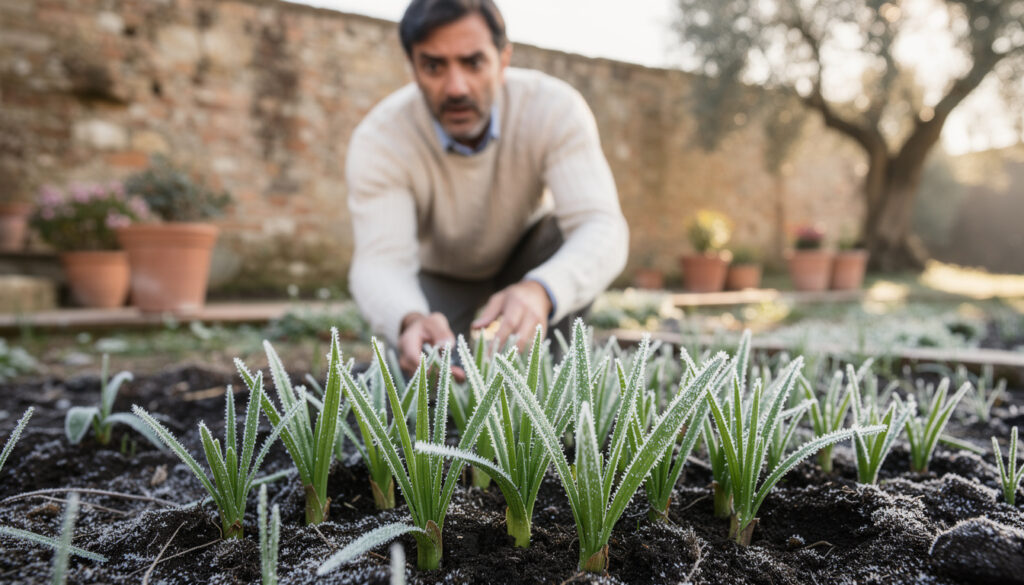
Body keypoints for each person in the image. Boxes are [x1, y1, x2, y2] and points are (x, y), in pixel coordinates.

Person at [346, 0, 628, 374]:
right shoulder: (380, 139)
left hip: (528, 259)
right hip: (439, 276)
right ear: (412, 67)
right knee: (426, 376)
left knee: (565, 241)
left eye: (473, 63)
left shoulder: (554, 109)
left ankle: (553, 375)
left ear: (503, 59)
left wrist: (542, 289)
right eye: (434, 66)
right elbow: (380, 260)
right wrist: (409, 318)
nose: (456, 88)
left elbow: (602, 225)